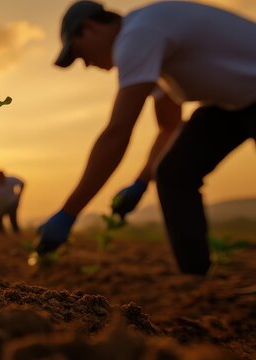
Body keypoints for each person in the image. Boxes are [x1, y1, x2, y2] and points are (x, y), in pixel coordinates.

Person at [38, 1, 256, 276]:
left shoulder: (136, 36)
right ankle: (195, 279)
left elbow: (117, 133)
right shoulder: (147, 50)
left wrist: (68, 213)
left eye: (80, 53)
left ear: (90, 28)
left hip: (248, 94)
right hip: (233, 104)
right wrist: (141, 182)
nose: (86, 64)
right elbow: (169, 126)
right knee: (174, 173)